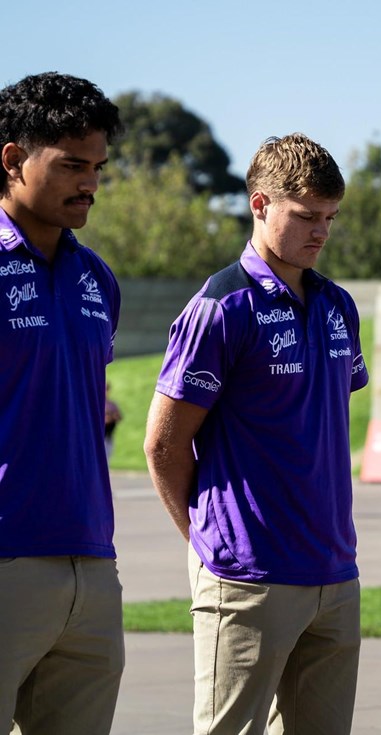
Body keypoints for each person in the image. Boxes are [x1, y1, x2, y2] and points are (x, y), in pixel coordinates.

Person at [144, 132, 369, 734]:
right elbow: (163, 445)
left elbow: (316, 421)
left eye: (330, 217)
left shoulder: (338, 305)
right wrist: (208, 546)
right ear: (260, 204)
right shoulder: (220, 307)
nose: (321, 232)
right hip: (247, 574)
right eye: (306, 217)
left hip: (333, 570)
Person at [0, 73, 125, 734]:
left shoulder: (97, 277)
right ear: (13, 159)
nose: (91, 183)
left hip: (92, 564)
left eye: (98, 167)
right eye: (72, 165)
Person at [104, 382, 123, 459]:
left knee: (107, 456)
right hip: (98, 434)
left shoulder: (112, 404)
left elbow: (119, 417)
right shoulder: (96, 403)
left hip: (109, 434)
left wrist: (111, 416)